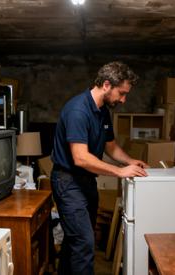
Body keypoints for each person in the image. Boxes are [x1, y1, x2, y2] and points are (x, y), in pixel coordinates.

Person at [50, 61, 149, 275]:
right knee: (84, 244)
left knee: (75, 241)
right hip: (68, 182)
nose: (123, 100)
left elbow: (111, 147)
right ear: (106, 85)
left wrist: (129, 161)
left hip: (86, 182)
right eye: (121, 93)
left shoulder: (103, 111)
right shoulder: (78, 110)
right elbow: (81, 158)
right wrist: (120, 172)